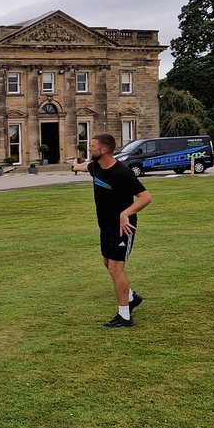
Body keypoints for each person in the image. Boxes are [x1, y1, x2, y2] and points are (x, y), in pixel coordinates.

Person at [71, 133, 152, 328]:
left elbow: (145, 197)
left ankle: (124, 315)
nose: (89, 148)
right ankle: (131, 297)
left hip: (123, 227)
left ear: (104, 149)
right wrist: (75, 166)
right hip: (105, 226)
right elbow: (84, 167)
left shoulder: (122, 172)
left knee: (116, 268)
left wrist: (126, 213)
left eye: (92, 146)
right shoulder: (96, 167)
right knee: (108, 263)